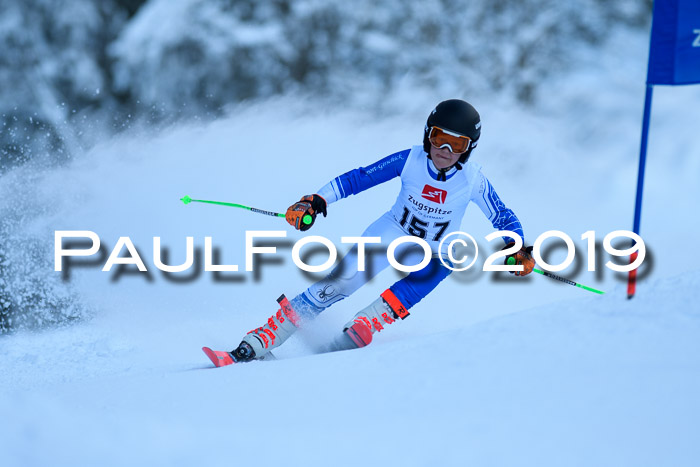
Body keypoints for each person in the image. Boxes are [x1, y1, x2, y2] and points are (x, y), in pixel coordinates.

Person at [229, 99, 534, 362]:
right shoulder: (410, 160)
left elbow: (503, 217)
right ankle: (266, 337)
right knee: (343, 281)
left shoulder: (473, 180)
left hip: (437, 245)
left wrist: (516, 248)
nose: (444, 149)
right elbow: (358, 179)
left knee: (448, 261)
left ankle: (371, 320)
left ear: (469, 149)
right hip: (395, 230)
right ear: (428, 134)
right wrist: (316, 200)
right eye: (439, 137)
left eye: (456, 144)